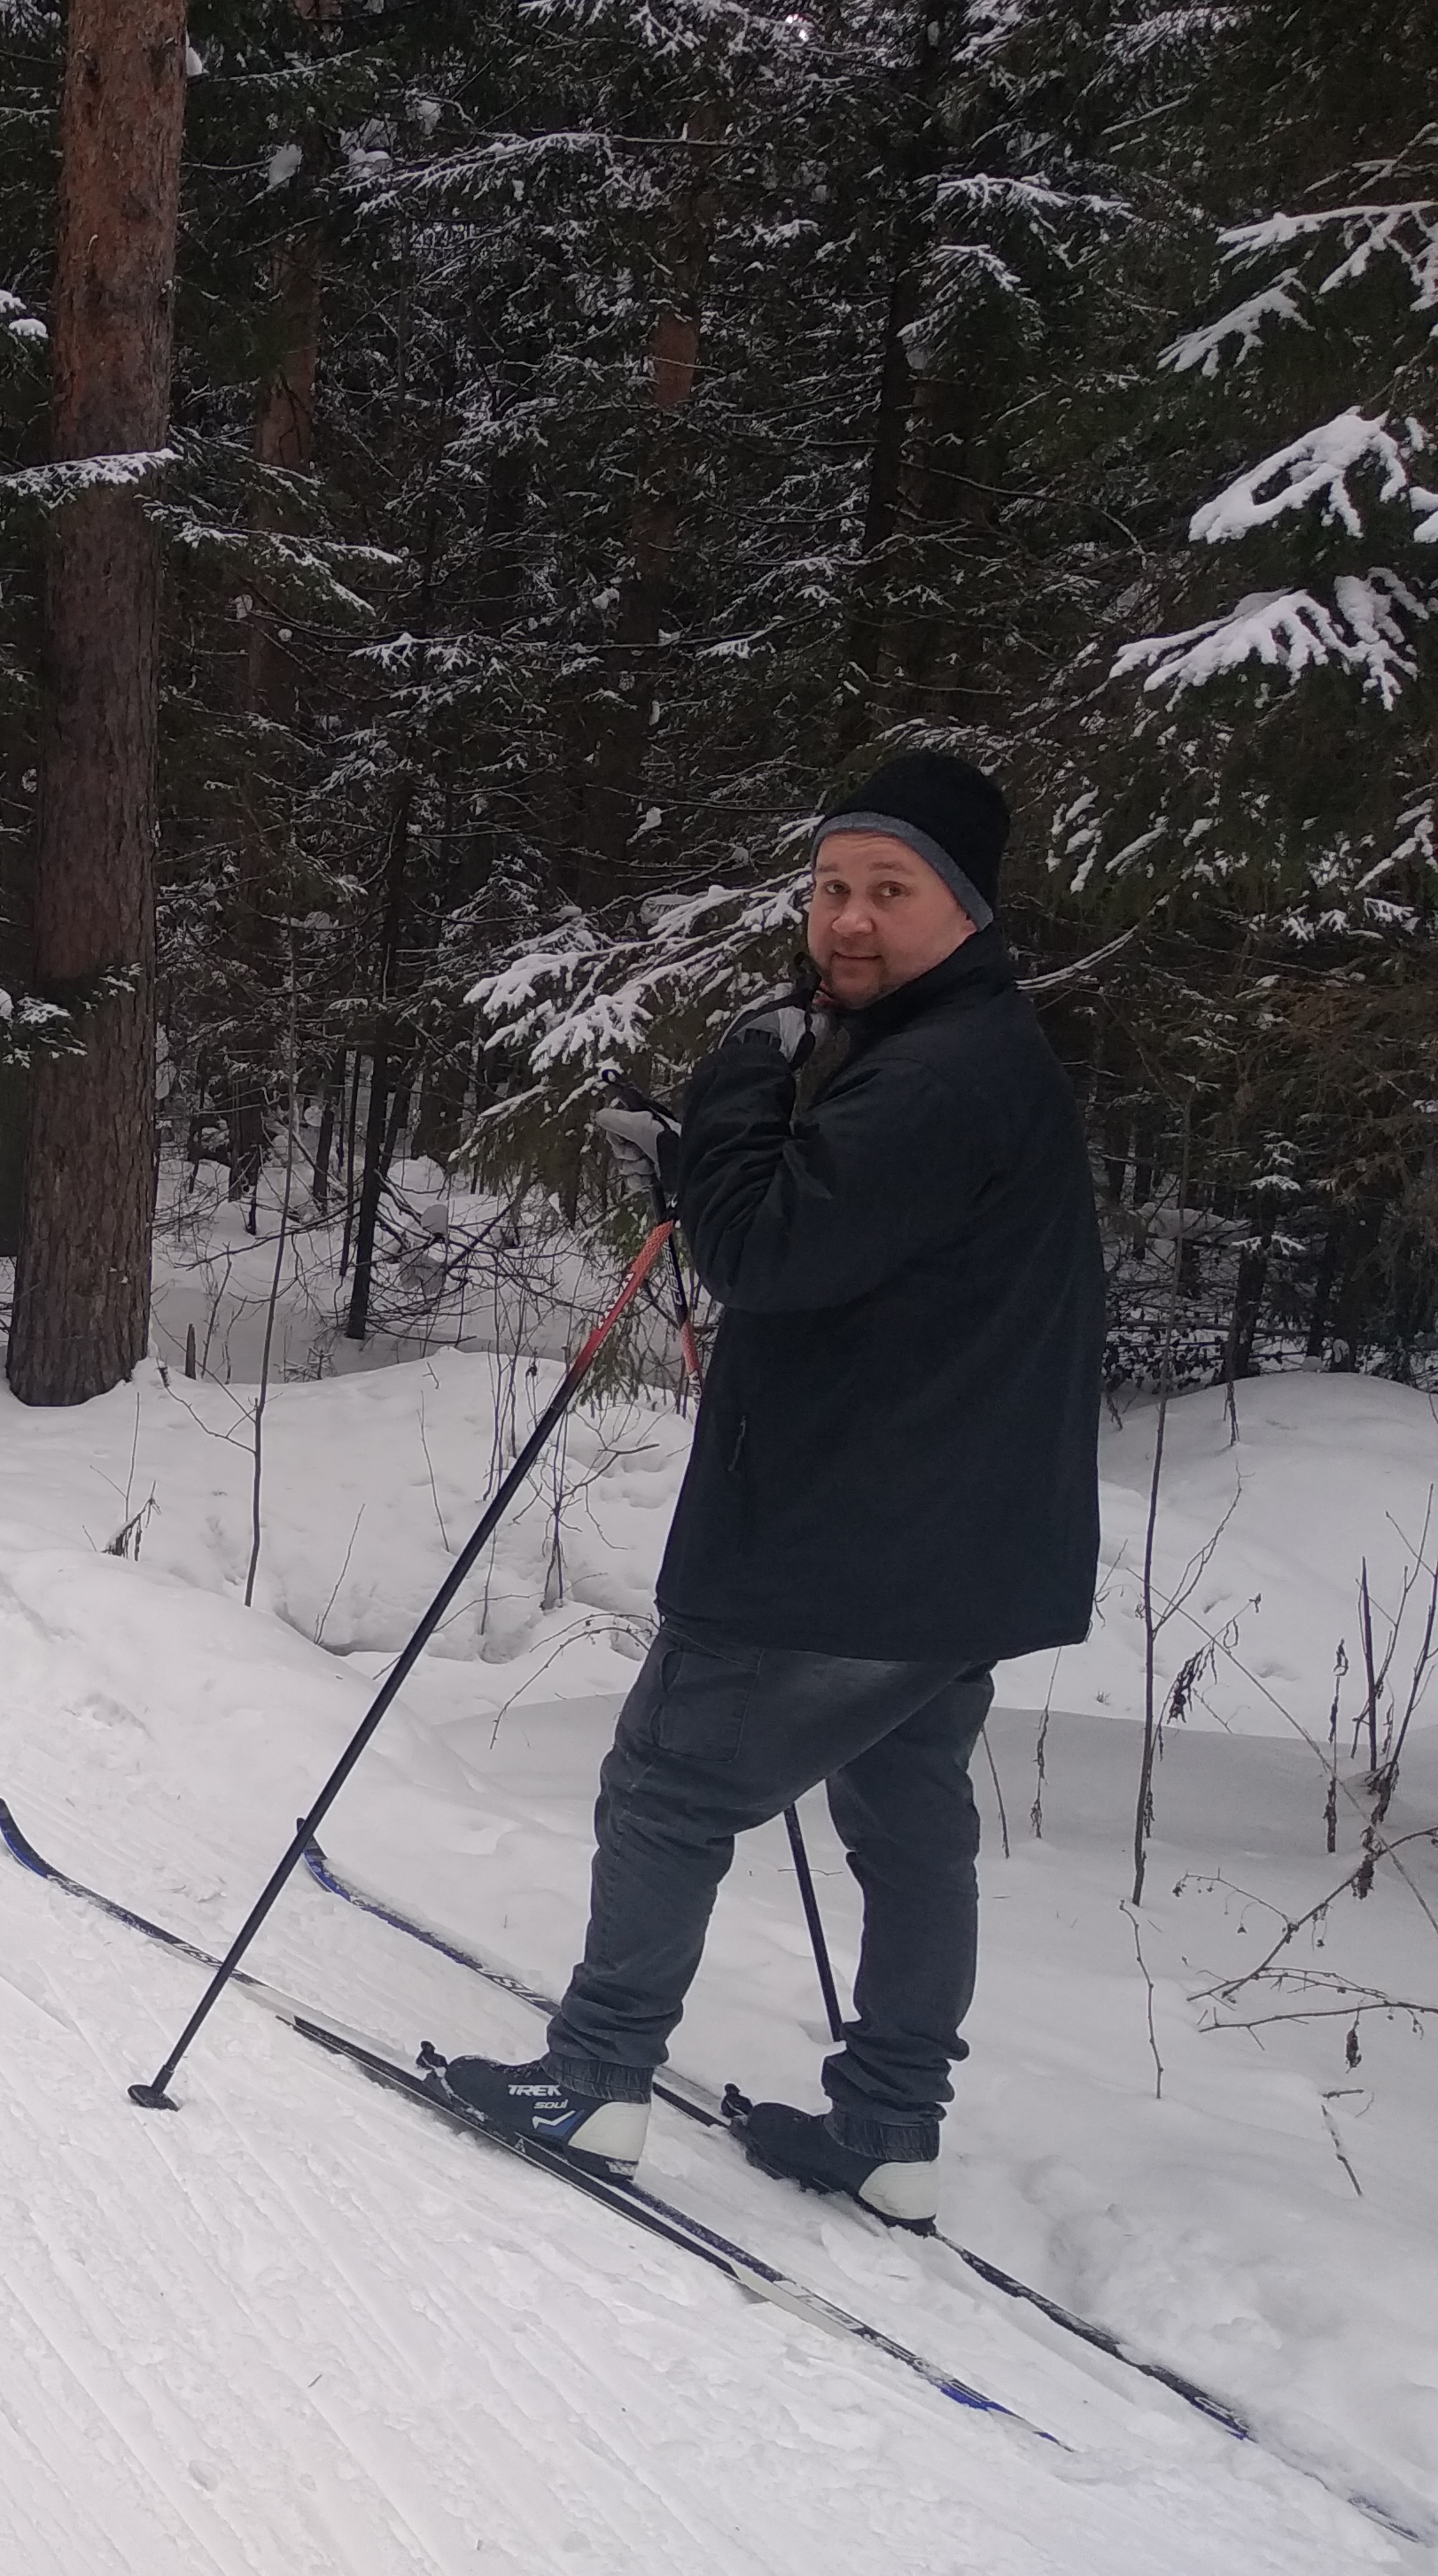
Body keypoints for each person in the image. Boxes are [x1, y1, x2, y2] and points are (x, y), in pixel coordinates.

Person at [438, 752, 1101, 2231]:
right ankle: (889, 2128)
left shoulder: (937, 1075)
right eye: (834, 887)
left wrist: (733, 1088)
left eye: (891, 892)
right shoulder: (969, 1054)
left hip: (847, 1539)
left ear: (969, 909)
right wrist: (721, 1157)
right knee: (906, 1812)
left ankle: (596, 2081)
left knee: (670, 1785)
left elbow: (763, 1255)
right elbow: (853, 1243)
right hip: (963, 1544)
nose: (848, 921)